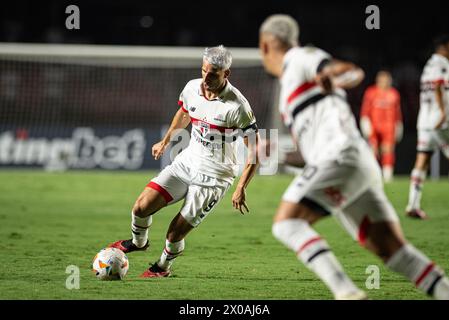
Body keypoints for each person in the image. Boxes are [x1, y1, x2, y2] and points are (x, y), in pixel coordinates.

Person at [259, 14, 449, 299]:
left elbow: (348, 71)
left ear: (266, 45)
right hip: (353, 162)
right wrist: (279, 156)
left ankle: (347, 293)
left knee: (287, 223)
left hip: (341, 155)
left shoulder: (299, 57)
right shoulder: (291, 85)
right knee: (394, 252)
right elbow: (311, 152)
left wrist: (338, 75)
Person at [109, 45, 260, 277]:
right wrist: (166, 140)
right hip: (187, 162)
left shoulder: (238, 106)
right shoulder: (192, 88)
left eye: (213, 74)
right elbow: (184, 113)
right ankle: (139, 243)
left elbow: (256, 152)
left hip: (215, 176)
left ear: (226, 74)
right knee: (141, 207)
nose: (206, 78)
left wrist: (241, 187)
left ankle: (162, 268)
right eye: (203, 71)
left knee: (174, 233)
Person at [405, 34, 449, 219]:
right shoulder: (442, 65)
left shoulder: (428, 66)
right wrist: (442, 111)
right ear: (445, 46)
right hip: (440, 120)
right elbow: (439, 86)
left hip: (425, 121)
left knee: (422, 162)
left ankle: (412, 205)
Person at [360, 70, 403, 182]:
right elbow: (365, 110)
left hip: (389, 127)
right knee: (373, 151)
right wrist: (365, 122)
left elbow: (397, 112)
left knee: (388, 151)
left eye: (387, 80)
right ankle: (372, 175)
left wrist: (399, 125)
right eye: (383, 79)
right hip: (374, 126)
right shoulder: (370, 92)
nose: (385, 82)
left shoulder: (394, 94)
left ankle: (387, 176)